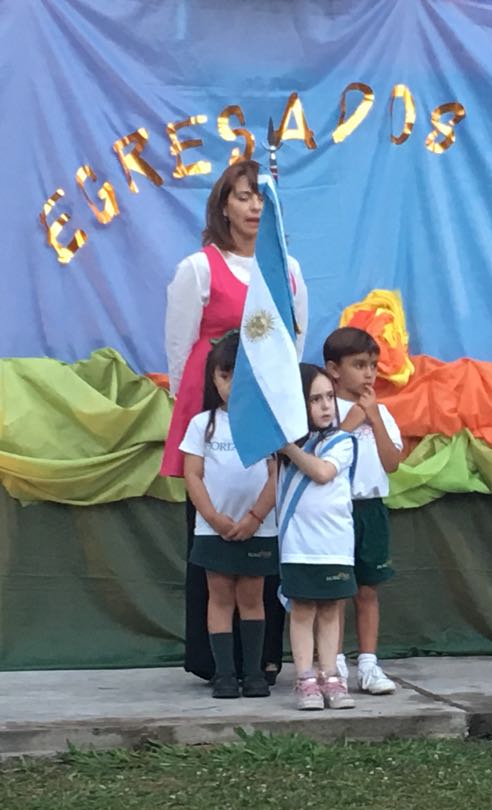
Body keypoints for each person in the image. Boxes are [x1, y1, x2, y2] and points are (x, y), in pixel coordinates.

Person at [162, 159, 307, 685]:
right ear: (223, 205)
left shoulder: (287, 269)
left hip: (266, 412)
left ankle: (263, 658)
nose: (254, 207)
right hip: (211, 414)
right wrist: (200, 415)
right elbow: (180, 352)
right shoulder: (198, 268)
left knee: (264, 537)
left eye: (261, 198)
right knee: (211, 540)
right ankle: (213, 661)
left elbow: (295, 342)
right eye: (244, 197)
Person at [179, 332, 278, 699]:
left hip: (258, 530)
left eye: (242, 375)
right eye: (225, 375)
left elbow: (276, 475)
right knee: (219, 598)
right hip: (213, 531)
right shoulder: (201, 424)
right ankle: (224, 674)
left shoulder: (266, 424)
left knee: (252, 599)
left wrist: (254, 517)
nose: (233, 384)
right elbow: (193, 475)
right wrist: (214, 518)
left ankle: (253, 673)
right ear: (214, 378)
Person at [323, 327, 404, 694]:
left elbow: (392, 463)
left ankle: (369, 665)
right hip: (334, 509)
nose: (368, 373)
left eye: (372, 365)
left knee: (367, 589)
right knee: (336, 590)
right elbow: (320, 455)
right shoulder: (323, 409)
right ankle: (334, 662)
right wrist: (350, 423)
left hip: (370, 509)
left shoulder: (381, 411)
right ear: (334, 369)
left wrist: (373, 418)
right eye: (359, 365)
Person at [277, 365, 358, 711]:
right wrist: (285, 443)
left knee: (329, 611)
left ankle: (331, 677)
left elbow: (323, 472)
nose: (326, 406)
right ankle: (306, 679)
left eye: (329, 397)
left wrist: (288, 449)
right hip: (298, 547)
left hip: (335, 547)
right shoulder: (286, 448)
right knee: (302, 610)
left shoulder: (342, 442)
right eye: (314, 399)